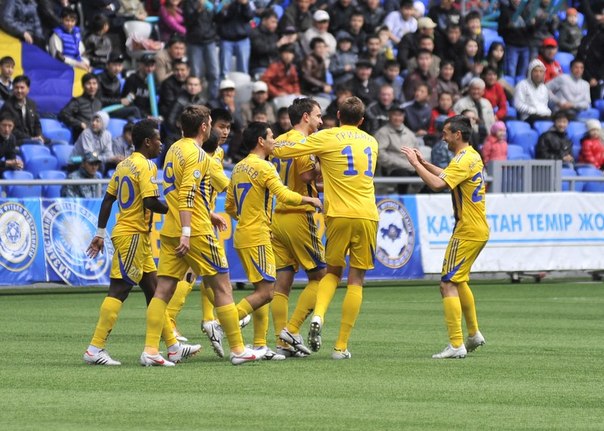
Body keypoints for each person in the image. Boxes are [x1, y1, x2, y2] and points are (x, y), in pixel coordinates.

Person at [141, 105, 261, 366]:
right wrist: (188, 231)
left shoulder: (173, 148)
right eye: (210, 122)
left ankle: (151, 350)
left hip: (171, 228)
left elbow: (177, 192)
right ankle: (238, 349)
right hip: (194, 231)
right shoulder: (197, 154)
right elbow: (187, 193)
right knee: (222, 287)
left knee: (163, 290)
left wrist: (208, 214)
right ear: (204, 126)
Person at [83, 120, 200, 366]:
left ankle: (173, 347)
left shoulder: (123, 165)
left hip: (134, 236)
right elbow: (150, 202)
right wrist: (176, 209)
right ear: (147, 142)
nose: (161, 144)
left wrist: (100, 232)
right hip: (133, 235)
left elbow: (108, 199)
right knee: (119, 290)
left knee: (155, 292)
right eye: (158, 139)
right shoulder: (146, 166)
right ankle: (95, 348)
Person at [272, 96, 379, 360]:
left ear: (338, 116)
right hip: (367, 214)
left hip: (336, 214)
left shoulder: (327, 137)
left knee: (330, 273)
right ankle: (340, 346)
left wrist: (270, 144)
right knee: (356, 280)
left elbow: (286, 152)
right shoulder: (372, 142)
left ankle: (317, 315)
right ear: (362, 120)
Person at [226, 121, 323, 359]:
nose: (274, 141)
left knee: (270, 286)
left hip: (252, 231)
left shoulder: (238, 167)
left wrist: (247, 217)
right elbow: (286, 193)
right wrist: (309, 199)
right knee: (273, 290)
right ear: (261, 141)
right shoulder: (267, 165)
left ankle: (263, 343)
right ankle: (226, 323)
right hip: (266, 230)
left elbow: (230, 206)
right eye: (270, 137)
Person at [401, 115, 489, 359]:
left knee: (447, 284)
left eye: (446, 133)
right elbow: (447, 175)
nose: (443, 138)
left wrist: (415, 165)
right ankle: (473, 334)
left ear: (457, 135)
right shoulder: (471, 156)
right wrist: (425, 163)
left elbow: (438, 185)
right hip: (477, 227)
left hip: (467, 230)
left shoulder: (462, 159)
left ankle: (456, 343)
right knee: (459, 281)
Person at [269, 98, 326, 357]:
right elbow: (305, 175)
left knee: (282, 283)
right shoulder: (304, 143)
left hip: (278, 215)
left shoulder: (279, 140)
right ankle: (291, 330)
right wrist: (323, 162)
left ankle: (281, 344)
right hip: (299, 214)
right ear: (305, 117)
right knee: (321, 277)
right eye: (318, 116)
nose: (320, 121)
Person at [375, 104, 430, 194]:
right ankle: (402, 199)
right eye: (395, 115)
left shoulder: (409, 133)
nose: (397, 118)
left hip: (411, 167)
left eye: (400, 115)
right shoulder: (382, 133)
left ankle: (421, 198)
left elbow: (416, 151)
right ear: (389, 116)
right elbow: (380, 153)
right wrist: (397, 163)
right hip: (392, 168)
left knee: (427, 176)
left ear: (403, 117)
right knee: (403, 175)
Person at [183, 0, 220, 100]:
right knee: (196, 74)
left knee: (214, 73)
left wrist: (221, 10)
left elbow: (216, 19)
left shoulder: (210, 2)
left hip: (210, 41)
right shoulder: (188, 3)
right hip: (194, 42)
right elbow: (188, 22)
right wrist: (198, 10)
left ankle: (213, 100)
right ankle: (197, 100)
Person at [0, 75, 44, 145]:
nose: (19, 91)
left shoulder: (32, 104)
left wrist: (39, 135)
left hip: (34, 138)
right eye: (16, 88)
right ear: (13, 89)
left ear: (28, 89)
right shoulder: (7, 106)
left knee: (60, 143)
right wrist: (30, 138)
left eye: (22, 88)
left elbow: (37, 124)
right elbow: (10, 130)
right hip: (18, 141)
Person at [216, 0, 254, 77]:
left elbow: (249, 17)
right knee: (224, 71)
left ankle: (243, 84)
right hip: (226, 39)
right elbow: (216, 18)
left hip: (243, 39)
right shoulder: (224, 2)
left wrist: (245, 4)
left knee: (243, 70)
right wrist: (224, 10)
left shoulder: (247, 2)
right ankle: (223, 84)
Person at [59, 73, 103, 139]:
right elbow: (63, 114)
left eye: (94, 83)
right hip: (82, 137)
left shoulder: (98, 102)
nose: (92, 86)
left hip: (96, 137)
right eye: (88, 83)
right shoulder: (77, 101)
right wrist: (79, 124)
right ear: (83, 86)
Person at [453, 78, 496, 143]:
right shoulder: (460, 104)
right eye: (473, 89)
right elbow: (456, 124)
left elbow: (492, 121)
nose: (476, 92)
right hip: (470, 139)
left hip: (487, 138)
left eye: (478, 89)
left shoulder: (487, 103)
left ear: (483, 91)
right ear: (469, 90)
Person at [514, 59, 551, 125]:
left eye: (541, 71)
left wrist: (547, 111)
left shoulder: (544, 88)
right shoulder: (522, 85)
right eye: (535, 71)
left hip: (543, 115)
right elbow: (517, 104)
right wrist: (533, 111)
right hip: (529, 117)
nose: (538, 74)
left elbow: (544, 105)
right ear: (530, 72)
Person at [121, 54, 157, 119]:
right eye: (147, 66)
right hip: (133, 112)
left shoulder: (155, 82)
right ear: (140, 65)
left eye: (152, 66)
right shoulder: (132, 79)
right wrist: (145, 116)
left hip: (149, 115)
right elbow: (128, 102)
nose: (150, 69)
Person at [0, 112, 23, 177]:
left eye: (10, 126)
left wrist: (16, 164)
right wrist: (7, 163)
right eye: (4, 125)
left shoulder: (12, 139)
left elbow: (11, 158)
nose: (6, 129)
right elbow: (8, 162)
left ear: (13, 127)